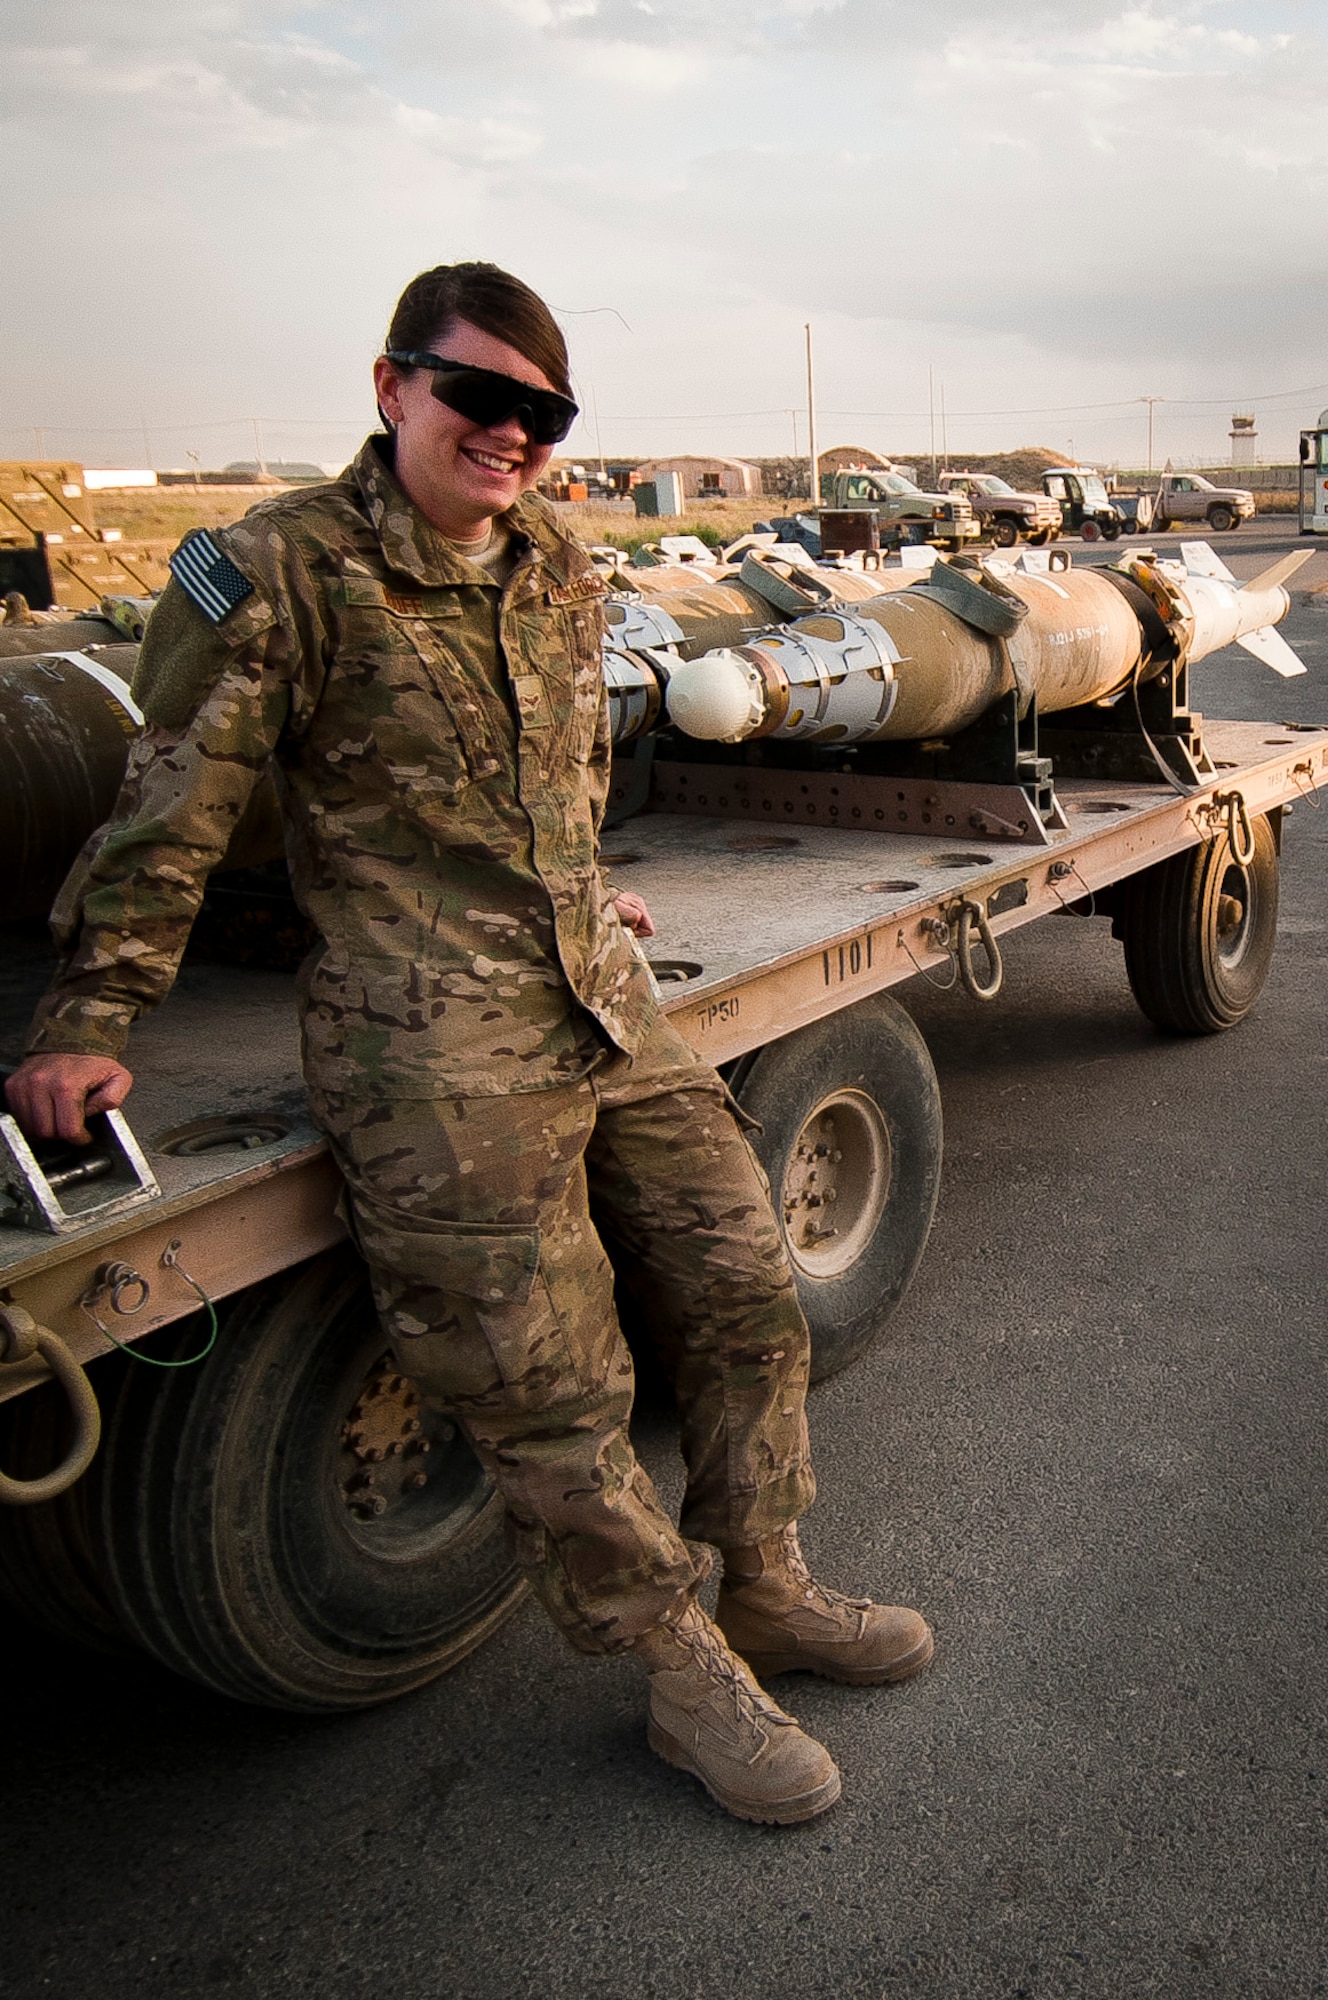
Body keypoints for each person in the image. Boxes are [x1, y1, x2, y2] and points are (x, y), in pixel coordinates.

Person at [6, 262, 932, 1825]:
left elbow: (544, 781)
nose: (509, 433)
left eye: (542, 412)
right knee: (542, 1377)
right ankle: (679, 1666)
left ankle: (767, 1576)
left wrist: (583, 885)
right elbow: (174, 803)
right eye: (477, 396)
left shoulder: (556, 565)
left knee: (745, 1287)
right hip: (424, 1031)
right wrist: (95, 1018)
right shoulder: (272, 569)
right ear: (393, 389)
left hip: (589, 990)